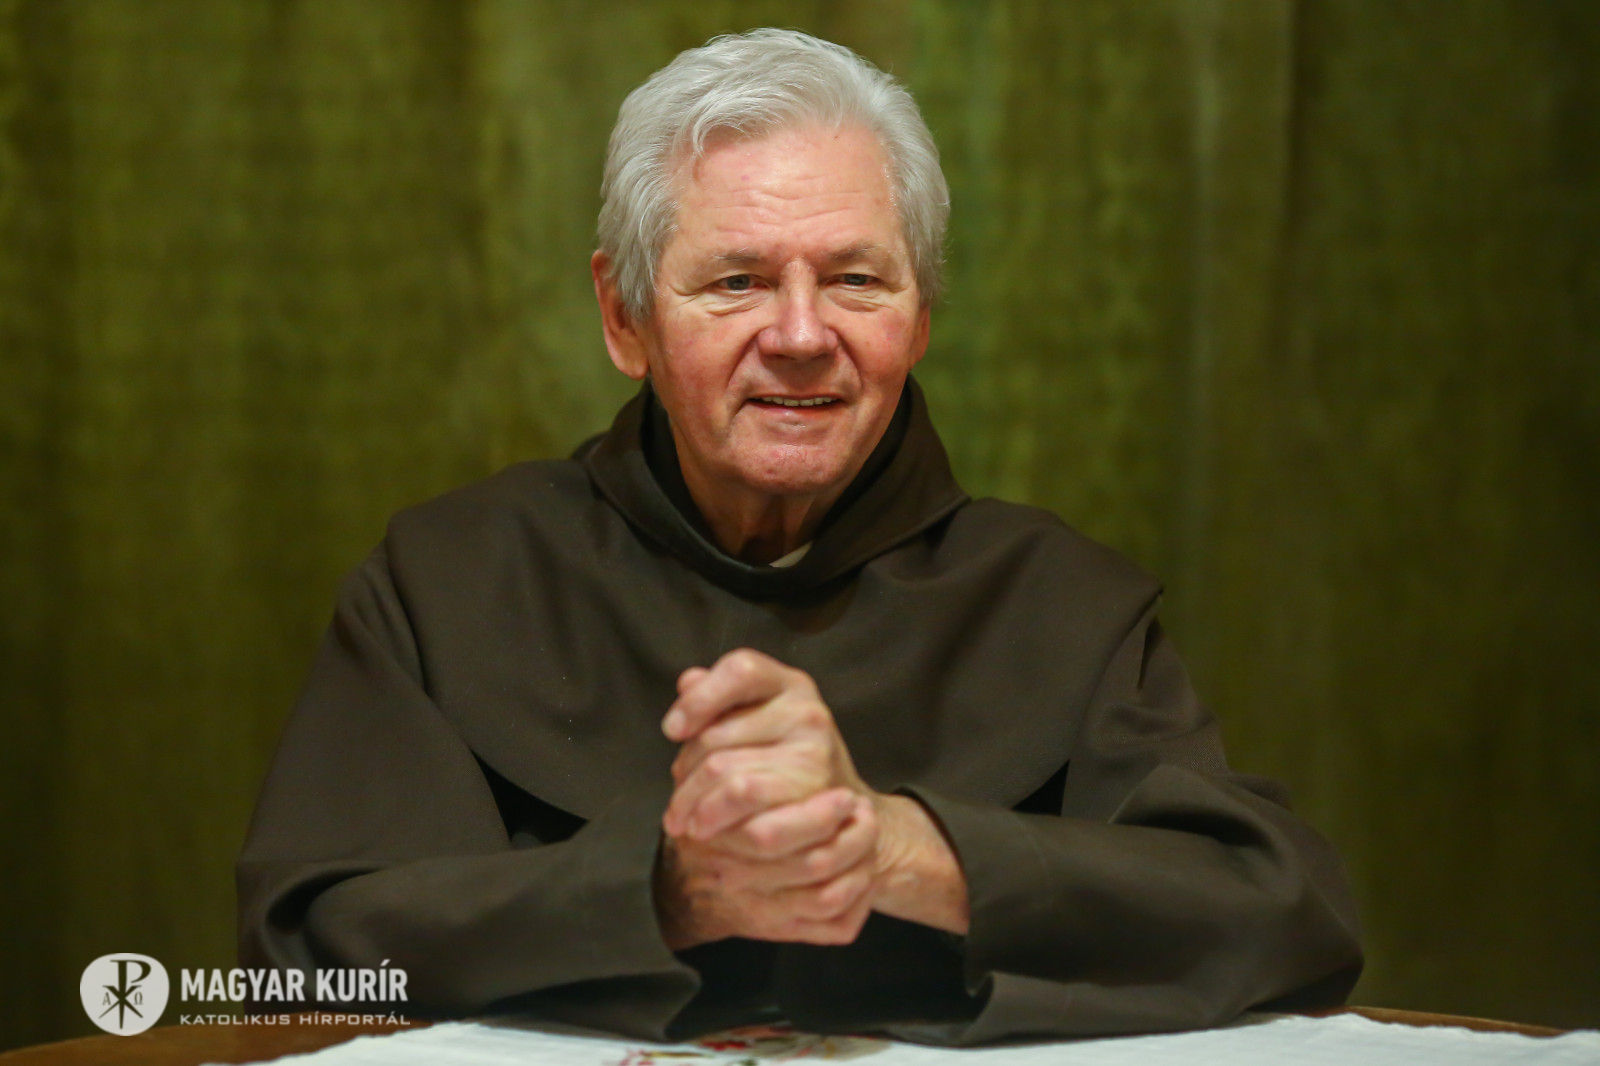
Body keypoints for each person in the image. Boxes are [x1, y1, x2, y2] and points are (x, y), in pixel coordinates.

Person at [237, 28, 1362, 1044]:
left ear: (921, 315)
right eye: (736, 281)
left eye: (855, 279)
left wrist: (897, 850)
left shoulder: (1059, 603)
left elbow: (1288, 918)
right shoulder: (449, 583)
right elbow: (297, 955)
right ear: (624, 317)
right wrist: (661, 891)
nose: (800, 334)